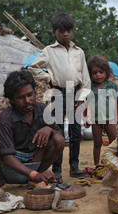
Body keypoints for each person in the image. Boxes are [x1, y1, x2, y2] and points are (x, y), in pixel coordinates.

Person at [29, 12, 91, 180]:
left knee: (76, 132)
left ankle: (74, 166)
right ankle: (57, 171)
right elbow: (33, 67)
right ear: (55, 32)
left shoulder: (79, 52)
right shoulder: (49, 51)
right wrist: (48, 77)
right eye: (61, 31)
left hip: (76, 92)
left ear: (72, 31)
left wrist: (81, 97)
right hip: (57, 92)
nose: (66, 34)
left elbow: (85, 79)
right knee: (58, 134)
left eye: (68, 31)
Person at [0, 70, 65, 188]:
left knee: (58, 139)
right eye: (20, 97)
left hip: (35, 159)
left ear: (34, 93)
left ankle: (33, 180)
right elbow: (8, 157)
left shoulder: (42, 109)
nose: (27, 101)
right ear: (12, 100)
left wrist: (49, 129)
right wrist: (35, 174)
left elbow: (59, 134)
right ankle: (0, 181)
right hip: (12, 163)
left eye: (30, 95)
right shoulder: (6, 118)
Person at [84, 55, 118, 165]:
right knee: (97, 143)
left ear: (106, 72)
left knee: (114, 142)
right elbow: (85, 103)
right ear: (90, 74)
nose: (98, 75)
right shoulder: (90, 87)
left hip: (110, 119)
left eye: (101, 72)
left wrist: (116, 114)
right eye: (94, 73)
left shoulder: (112, 86)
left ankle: (116, 164)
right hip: (96, 120)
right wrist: (85, 117)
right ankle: (97, 165)